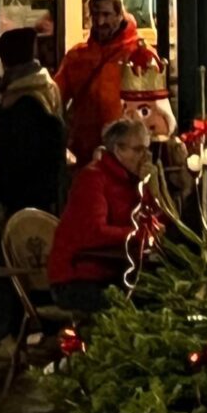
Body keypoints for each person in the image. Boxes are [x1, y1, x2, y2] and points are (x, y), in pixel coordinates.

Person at [46, 119, 151, 312]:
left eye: (146, 149)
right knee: (137, 306)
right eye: (138, 150)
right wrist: (139, 234)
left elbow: (154, 217)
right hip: (79, 278)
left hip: (114, 272)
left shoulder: (134, 181)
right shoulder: (93, 179)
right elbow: (94, 232)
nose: (145, 157)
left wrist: (153, 187)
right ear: (118, 150)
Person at [53, 0, 146, 159]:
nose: (100, 21)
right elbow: (54, 99)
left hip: (126, 154)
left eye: (106, 14)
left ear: (120, 15)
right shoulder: (76, 57)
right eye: (95, 14)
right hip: (84, 153)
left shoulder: (138, 54)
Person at [0, 28, 67, 215]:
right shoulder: (44, 86)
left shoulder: (24, 99)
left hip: (25, 194)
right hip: (44, 190)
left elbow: (19, 153)